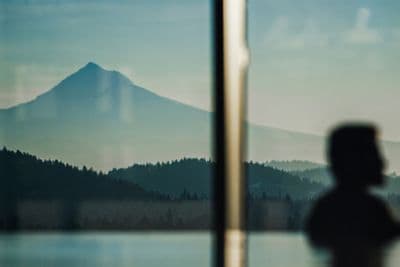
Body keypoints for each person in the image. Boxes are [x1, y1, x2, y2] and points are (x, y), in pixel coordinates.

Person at [306, 124, 400, 267]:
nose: (382, 163)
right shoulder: (371, 211)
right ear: (356, 161)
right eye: (374, 153)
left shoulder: (326, 208)